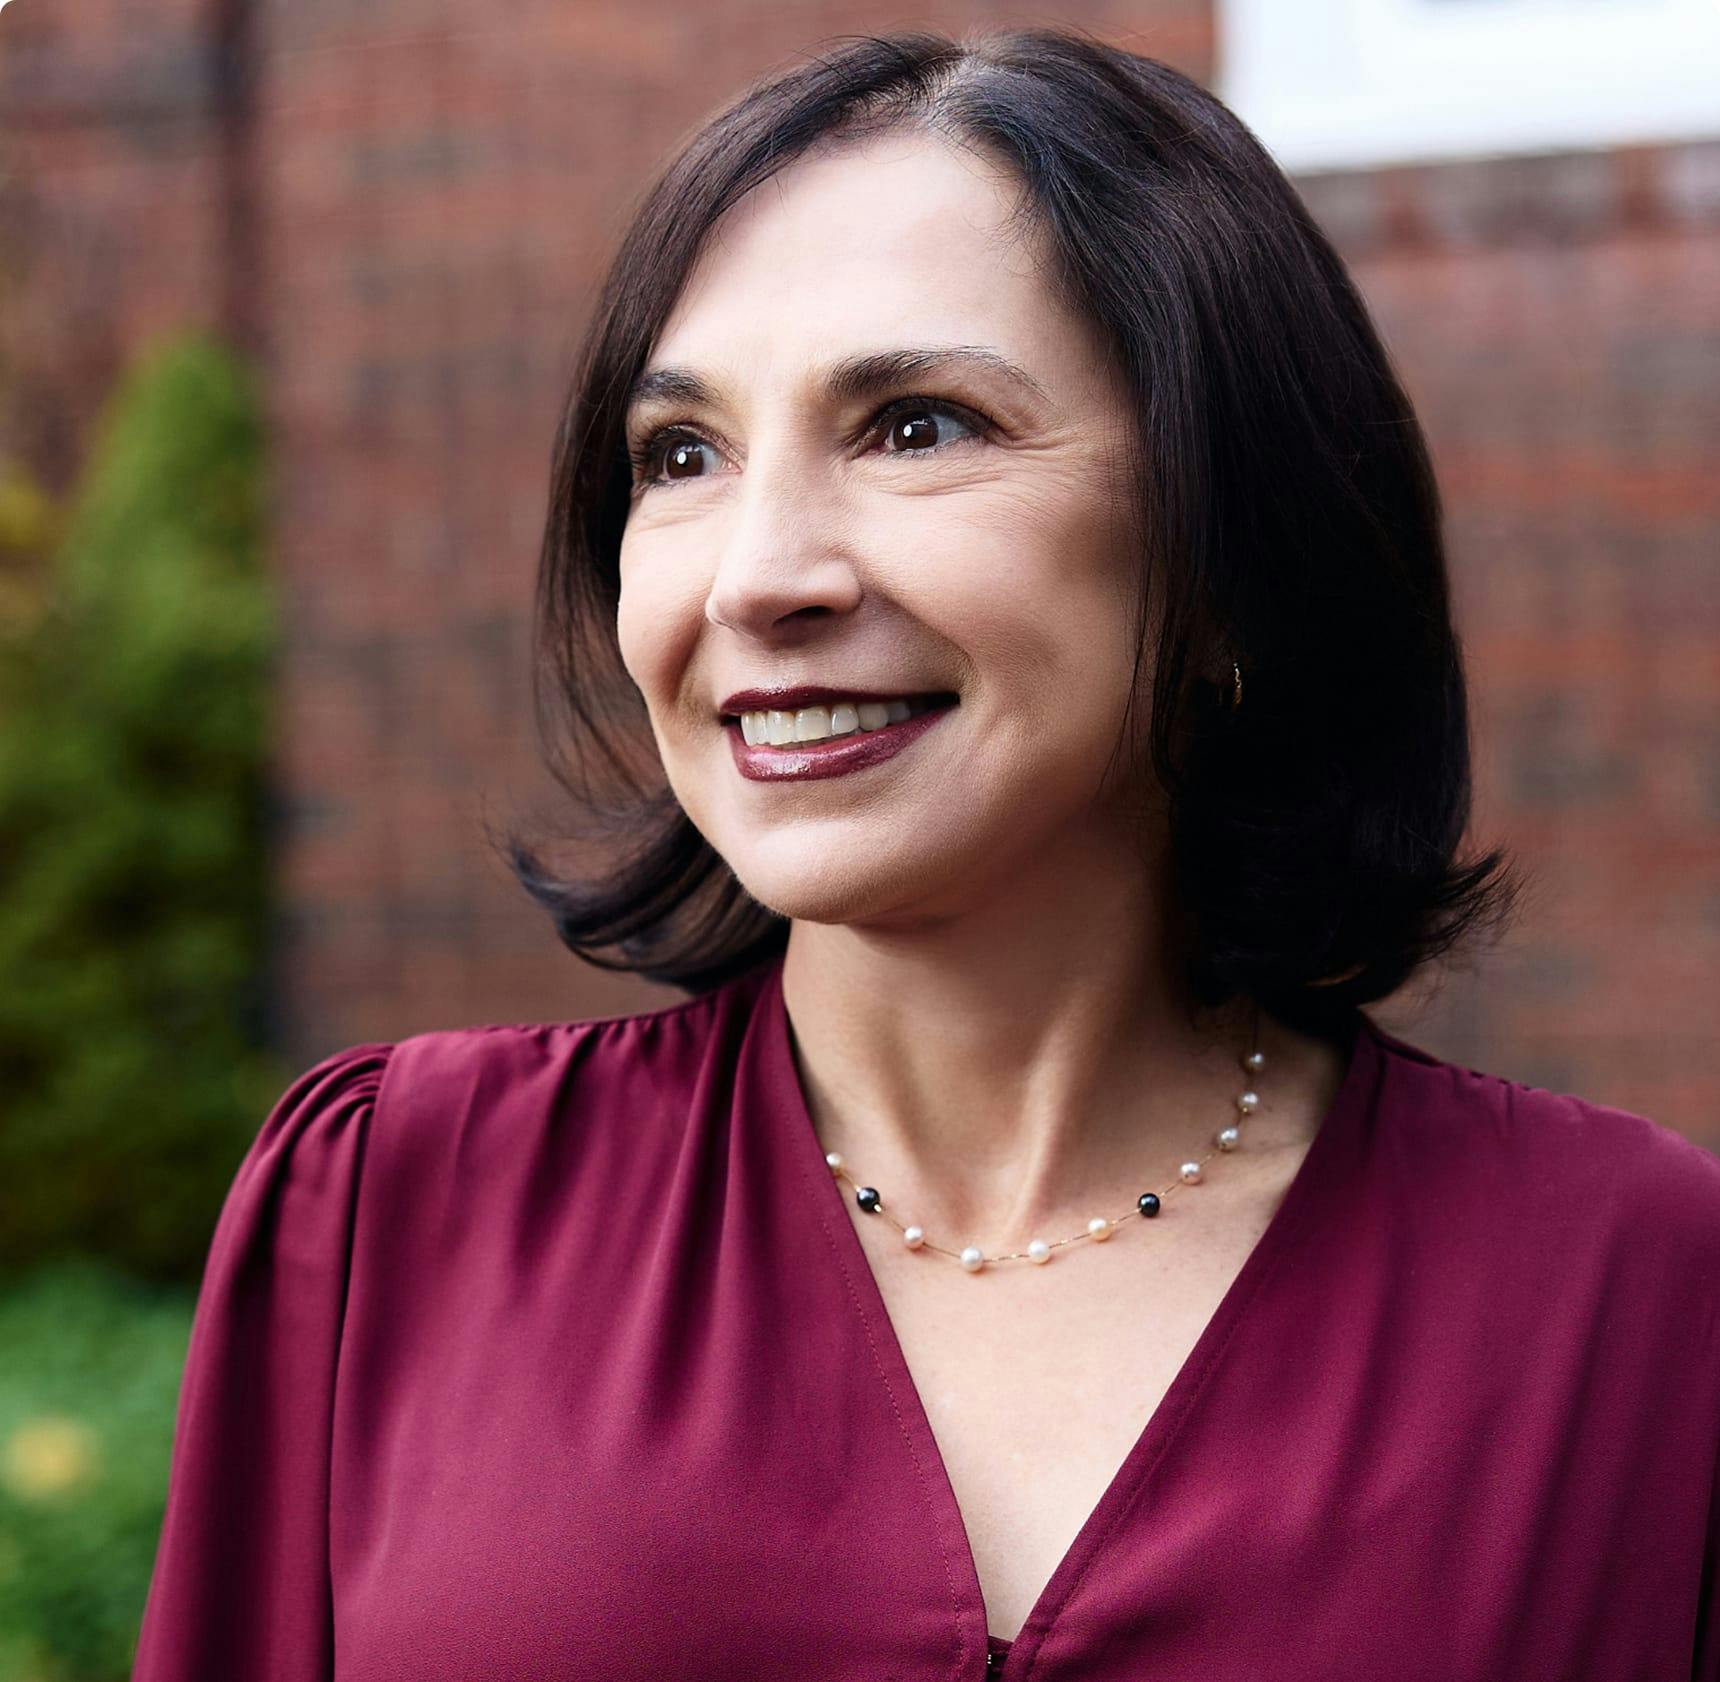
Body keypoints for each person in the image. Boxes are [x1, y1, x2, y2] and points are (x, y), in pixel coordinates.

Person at [131, 26, 1720, 1681]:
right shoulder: (393, 1207)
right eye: (683, 455)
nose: (757, 577)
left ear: (1228, 557)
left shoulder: (1637, 1303)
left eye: (916, 428)